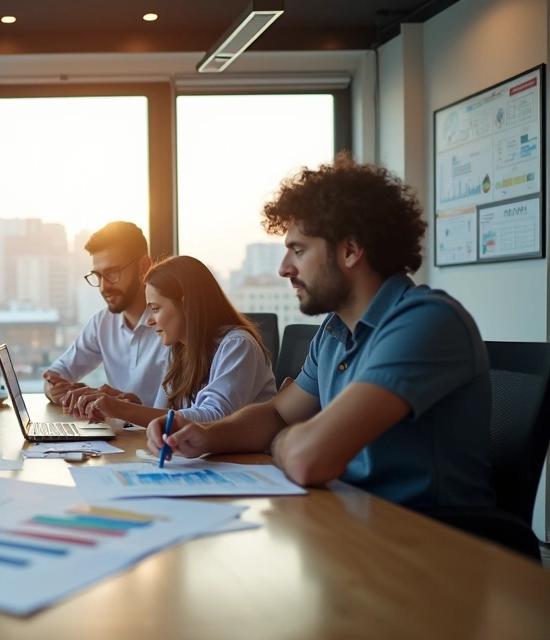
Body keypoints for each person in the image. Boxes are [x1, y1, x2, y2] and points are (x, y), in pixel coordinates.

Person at [143, 155, 494, 509]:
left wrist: (281, 440)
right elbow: (277, 414)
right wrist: (206, 436)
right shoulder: (334, 331)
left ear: (350, 250)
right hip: (351, 522)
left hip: (434, 544)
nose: (284, 269)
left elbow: (307, 459)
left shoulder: (425, 322)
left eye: (298, 250)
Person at [70, 255, 276, 426]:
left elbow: (214, 418)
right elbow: (167, 415)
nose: (150, 320)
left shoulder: (237, 345)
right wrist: (132, 406)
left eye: (155, 309)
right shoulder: (179, 350)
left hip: (248, 465)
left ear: (186, 305)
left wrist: (124, 410)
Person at [42, 221, 170, 415]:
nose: (103, 287)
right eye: (98, 276)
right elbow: (56, 374)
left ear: (144, 266)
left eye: (113, 273)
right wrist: (55, 389)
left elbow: (194, 413)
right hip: (121, 438)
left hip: (162, 439)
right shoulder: (102, 323)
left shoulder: (173, 325)